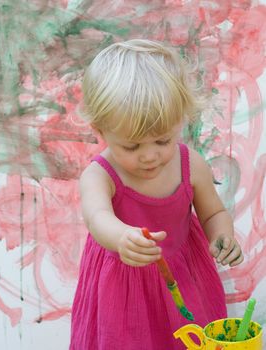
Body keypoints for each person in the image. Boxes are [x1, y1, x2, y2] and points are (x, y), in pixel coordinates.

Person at [69, 39, 244, 350]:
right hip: (122, 290)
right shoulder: (100, 175)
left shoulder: (191, 165)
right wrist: (122, 237)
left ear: (179, 122)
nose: (149, 156)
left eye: (162, 140)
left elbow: (213, 213)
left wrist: (222, 236)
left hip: (184, 276)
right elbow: (97, 217)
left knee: (190, 340)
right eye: (132, 146)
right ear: (100, 131)